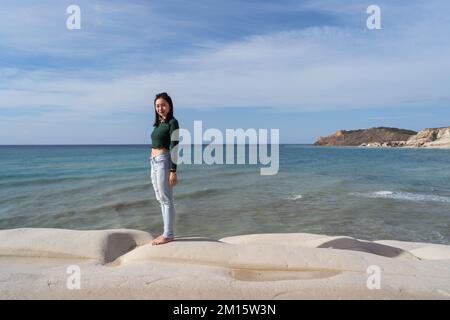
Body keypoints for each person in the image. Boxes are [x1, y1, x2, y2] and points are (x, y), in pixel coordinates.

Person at [149, 92, 179, 245]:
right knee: (160, 198)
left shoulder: (173, 122)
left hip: (164, 161)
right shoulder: (158, 124)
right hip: (154, 162)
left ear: (169, 106)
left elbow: (174, 147)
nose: (160, 108)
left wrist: (173, 170)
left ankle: (168, 234)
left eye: (163, 105)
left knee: (166, 199)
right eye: (157, 106)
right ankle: (166, 231)